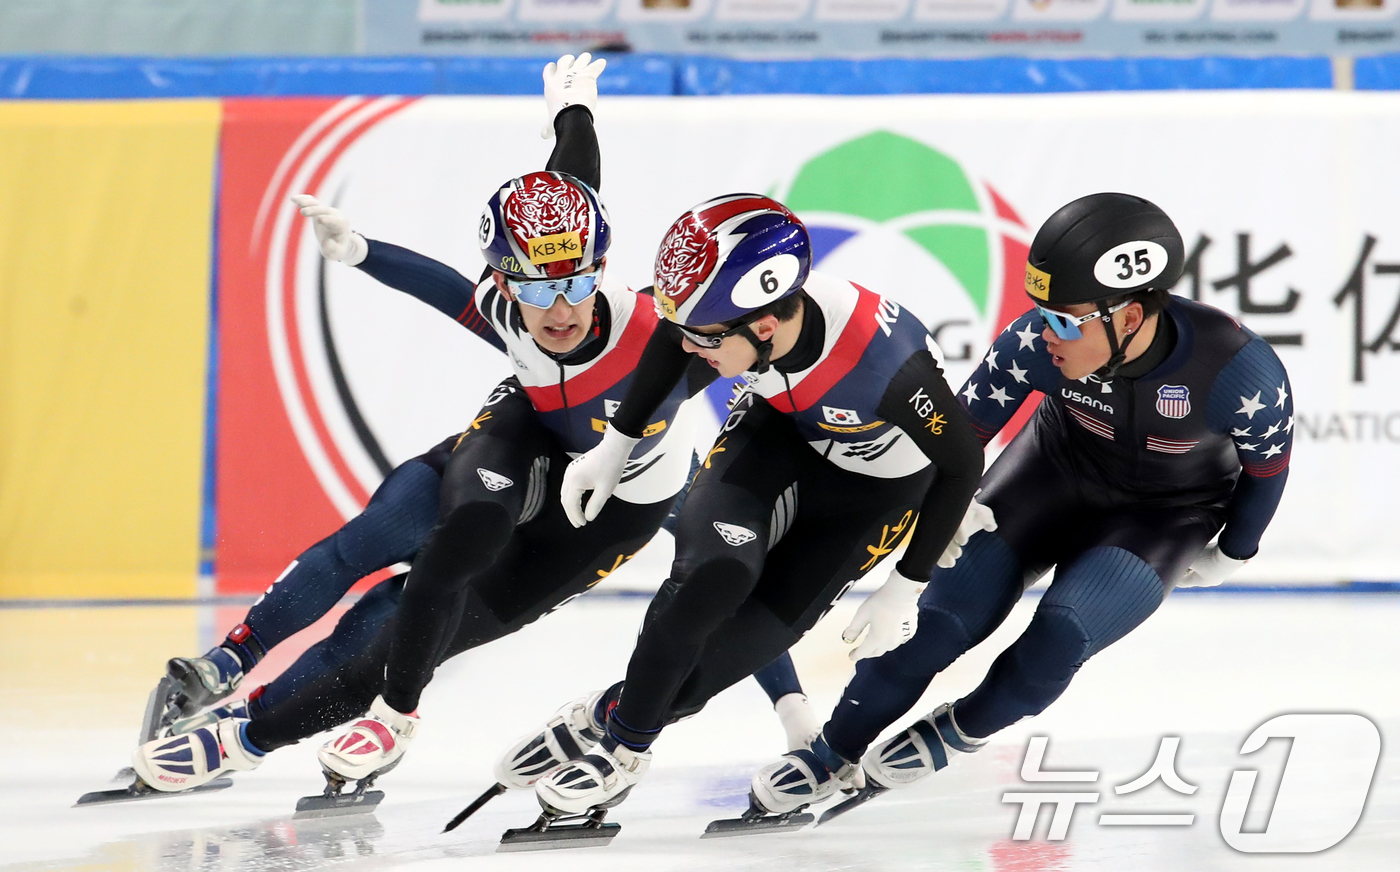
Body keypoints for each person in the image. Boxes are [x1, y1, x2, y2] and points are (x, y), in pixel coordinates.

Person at [131, 76, 817, 796]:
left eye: (576, 285)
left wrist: (793, 709)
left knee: (389, 628)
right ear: (503, 279)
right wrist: (364, 250)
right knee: (382, 529)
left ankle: (249, 730)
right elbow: (481, 259)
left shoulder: (664, 339)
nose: (559, 311)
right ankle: (232, 661)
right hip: (532, 440)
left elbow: (722, 571)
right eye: (535, 289)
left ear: (602, 270)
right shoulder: (513, 298)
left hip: (602, 514)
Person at [746, 192, 1295, 817]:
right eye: (1041, 313)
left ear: (1131, 316)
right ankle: (831, 754)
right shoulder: (1032, 344)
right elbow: (957, 440)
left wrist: (1235, 550)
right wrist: (935, 511)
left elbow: (1268, 471)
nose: (1045, 332)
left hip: (1164, 516)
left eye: (1065, 320)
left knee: (1060, 636)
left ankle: (962, 730)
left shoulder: (1238, 371)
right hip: (1050, 475)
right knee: (937, 623)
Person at [523, 192, 986, 820]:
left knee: (716, 663)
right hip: (776, 438)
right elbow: (672, 339)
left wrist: (906, 585)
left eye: (704, 337)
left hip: (872, 494)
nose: (690, 347)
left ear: (765, 326)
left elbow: (961, 463)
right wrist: (615, 448)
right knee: (710, 577)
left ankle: (609, 711)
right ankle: (623, 752)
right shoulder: (730, 318)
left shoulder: (887, 367)